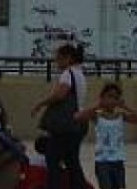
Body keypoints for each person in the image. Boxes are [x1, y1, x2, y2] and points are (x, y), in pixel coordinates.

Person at [33, 44, 89, 189]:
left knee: (53, 160)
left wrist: (41, 103)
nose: (56, 63)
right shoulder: (79, 73)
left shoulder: (67, 74)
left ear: (68, 58)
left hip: (65, 126)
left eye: (58, 59)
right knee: (72, 161)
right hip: (78, 123)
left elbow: (60, 94)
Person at [74, 82, 137, 189]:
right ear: (103, 97)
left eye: (115, 97)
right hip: (102, 161)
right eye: (109, 96)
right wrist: (98, 105)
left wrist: (125, 107)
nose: (112, 100)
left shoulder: (121, 114)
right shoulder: (97, 114)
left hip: (118, 160)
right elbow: (78, 117)